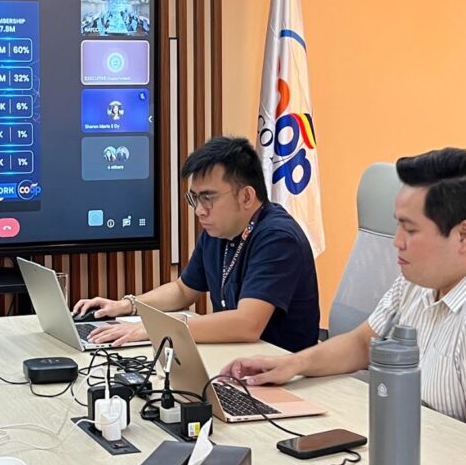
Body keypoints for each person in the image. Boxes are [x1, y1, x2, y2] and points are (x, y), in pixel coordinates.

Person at [224, 148, 466, 434]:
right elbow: (363, 344)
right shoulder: (421, 278)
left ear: (464, 236)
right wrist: (290, 364)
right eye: (398, 225)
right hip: (409, 451)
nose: (396, 242)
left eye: (410, 230)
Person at [74, 135, 320, 351]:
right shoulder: (219, 231)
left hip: (285, 370)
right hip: (238, 360)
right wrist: (127, 305)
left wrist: (156, 328)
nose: (199, 211)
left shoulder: (278, 238)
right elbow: (183, 290)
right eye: (195, 199)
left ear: (246, 196)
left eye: (208, 198)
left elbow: (247, 324)